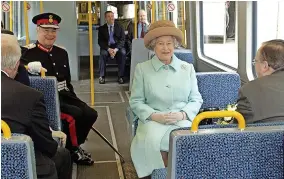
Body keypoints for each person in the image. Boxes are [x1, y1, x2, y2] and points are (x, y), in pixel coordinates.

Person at [129, 20, 203, 178]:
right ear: (153, 46)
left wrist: (183, 114)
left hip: (182, 119)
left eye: (169, 43)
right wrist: (155, 116)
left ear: (175, 45)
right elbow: (136, 101)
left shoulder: (187, 68)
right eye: (161, 43)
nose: (166, 48)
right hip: (152, 120)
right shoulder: (142, 69)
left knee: (186, 141)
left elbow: (196, 99)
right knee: (158, 143)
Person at [21, 12, 97, 165]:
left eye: (53, 30)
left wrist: (76, 99)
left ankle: (75, 142)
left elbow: (67, 82)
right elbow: (19, 78)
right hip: (44, 99)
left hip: (65, 95)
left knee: (90, 113)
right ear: (38, 30)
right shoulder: (27, 54)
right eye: (46, 30)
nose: (50, 34)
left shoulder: (61, 52)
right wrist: (27, 67)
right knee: (73, 116)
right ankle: (73, 150)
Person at [1, 33, 72, 179]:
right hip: (14, 162)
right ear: (16, 64)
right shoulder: (29, 96)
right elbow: (47, 145)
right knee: (61, 156)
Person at [236, 39, 284, 123]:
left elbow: (238, 129)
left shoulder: (249, 90)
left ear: (265, 66)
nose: (255, 65)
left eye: (255, 61)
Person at [98, 11, 126, 84]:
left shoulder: (120, 27)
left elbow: (122, 40)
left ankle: (121, 76)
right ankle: (102, 76)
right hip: (107, 47)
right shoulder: (102, 29)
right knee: (103, 53)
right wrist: (108, 49)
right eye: (109, 16)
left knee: (123, 53)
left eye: (112, 16)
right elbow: (100, 42)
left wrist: (116, 49)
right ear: (105, 18)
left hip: (117, 46)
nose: (111, 18)